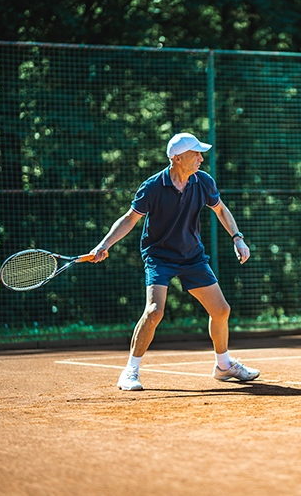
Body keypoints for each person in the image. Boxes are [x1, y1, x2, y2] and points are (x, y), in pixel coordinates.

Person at [89, 132, 259, 391]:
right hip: (159, 257)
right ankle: (129, 372)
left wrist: (237, 238)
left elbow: (221, 210)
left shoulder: (203, 181)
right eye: (196, 154)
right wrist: (105, 244)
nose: (201, 158)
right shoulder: (153, 187)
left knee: (221, 310)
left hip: (192, 256)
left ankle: (223, 366)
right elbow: (129, 219)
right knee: (155, 311)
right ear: (177, 158)